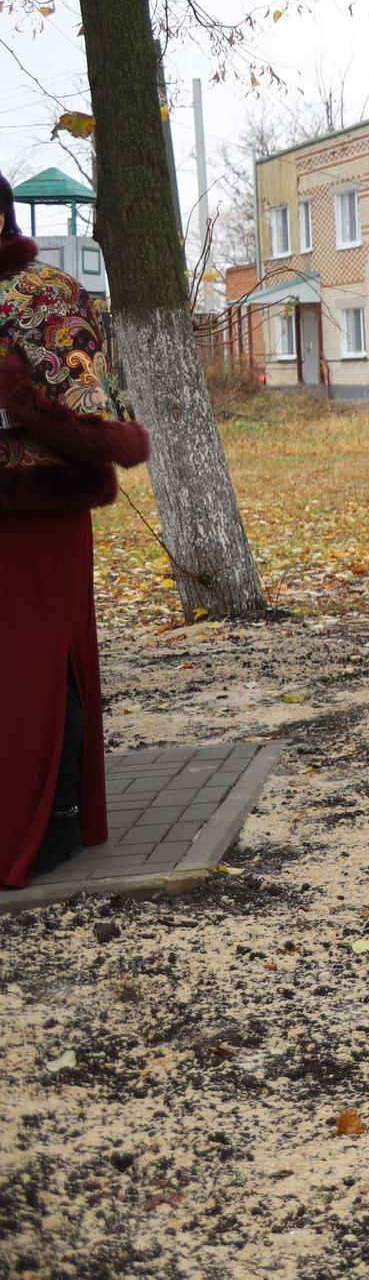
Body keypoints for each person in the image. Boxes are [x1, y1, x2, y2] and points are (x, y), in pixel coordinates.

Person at [0, 174, 150, 887]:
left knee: (35, 662)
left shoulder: (46, 294)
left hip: (36, 510)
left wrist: (16, 395)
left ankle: (52, 815)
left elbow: (92, 414)